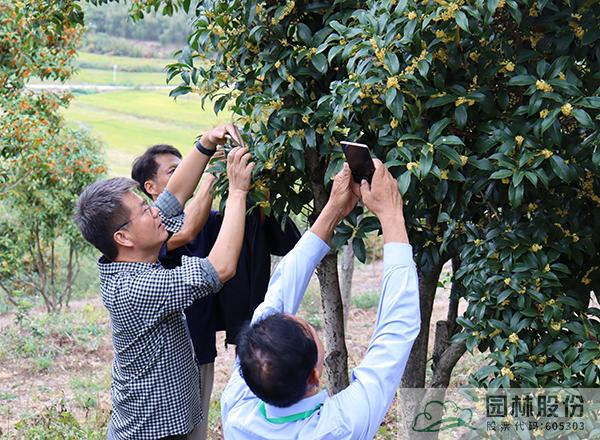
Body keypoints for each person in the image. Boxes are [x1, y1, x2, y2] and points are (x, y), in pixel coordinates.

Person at [74, 125, 254, 439]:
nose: (155, 212)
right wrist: (237, 191)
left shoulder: (131, 256)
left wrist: (206, 143)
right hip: (152, 432)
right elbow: (220, 267)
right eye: (145, 210)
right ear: (123, 237)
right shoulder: (134, 288)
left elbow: (174, 196)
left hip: (169, 421)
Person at [221, 160, 420, 439]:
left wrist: (333, 209)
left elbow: (278, 294)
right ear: (314, 376)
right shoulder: (338, 428)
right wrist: (391, 213)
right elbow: (396, 332)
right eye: (312, 331)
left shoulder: (237, 411)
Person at [131, 144, 300, 439]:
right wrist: (216, 172)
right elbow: (186, 231)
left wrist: (258, 189)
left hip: (200, 345)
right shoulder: (149, 237)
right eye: (175, 171)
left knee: (195, 428)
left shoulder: (207, 219)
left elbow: (251, 234)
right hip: (165, 360)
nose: (189, 174)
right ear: (151, 187)